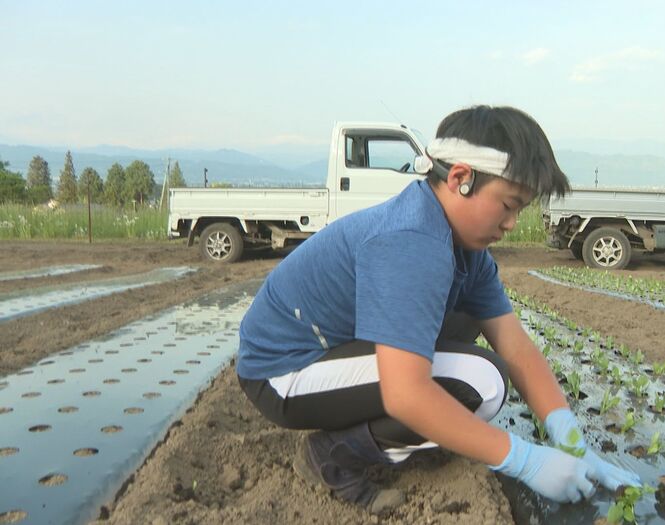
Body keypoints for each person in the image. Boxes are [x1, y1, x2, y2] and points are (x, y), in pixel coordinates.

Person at [236, 105, 641, 514]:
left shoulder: (466, 249)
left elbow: (514, 344)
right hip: (283, 372)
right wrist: (523, 459)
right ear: (461, 178)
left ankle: (379, 431)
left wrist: (571, 440)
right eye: (509, 204)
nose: (513, 223)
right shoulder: (414, 241)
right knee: (483, 383)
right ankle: (332, 453)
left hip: (332, 352)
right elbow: (406, 393)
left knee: (468, 320)